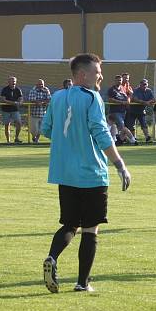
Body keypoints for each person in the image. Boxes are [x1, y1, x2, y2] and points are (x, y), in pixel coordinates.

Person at [41, 53, 130, 294]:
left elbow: (46, 129)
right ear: (82, 75)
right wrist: (120, 164)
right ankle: (82, 283)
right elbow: (100, 133)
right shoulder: (93, 98)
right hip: (92, 173)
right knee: (90, 228)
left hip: (65, 173)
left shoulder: (57, 97)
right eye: (97, 71)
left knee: (70, 223)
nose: (100, 75)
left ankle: (52, 256)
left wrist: (69, 141)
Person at [0, 76, 23, 144]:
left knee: (19, 123)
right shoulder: (5, 89)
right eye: (12, 81)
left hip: (15, 110)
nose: (13, 82)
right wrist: (13, 103)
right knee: (7, 125)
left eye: (14, 81)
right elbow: (3, 99)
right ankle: (8, 141)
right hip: (6, 110)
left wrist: (20, 102)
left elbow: (21, 98)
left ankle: (16, 138)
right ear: (8, 82)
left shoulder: (18, 89)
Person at [27, 79, 51, 144]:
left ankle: (36, 140)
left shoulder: (46, 89)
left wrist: (42, 102)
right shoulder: (33, 90)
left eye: (42, 84)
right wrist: (40, 102)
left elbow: (49, 99)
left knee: (41, 129)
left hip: (43, 113)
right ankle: (33, 137)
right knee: (34, 130)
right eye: (39, 84)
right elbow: (32, 99)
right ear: (36, 84)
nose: (41, 85)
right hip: (34, 113)